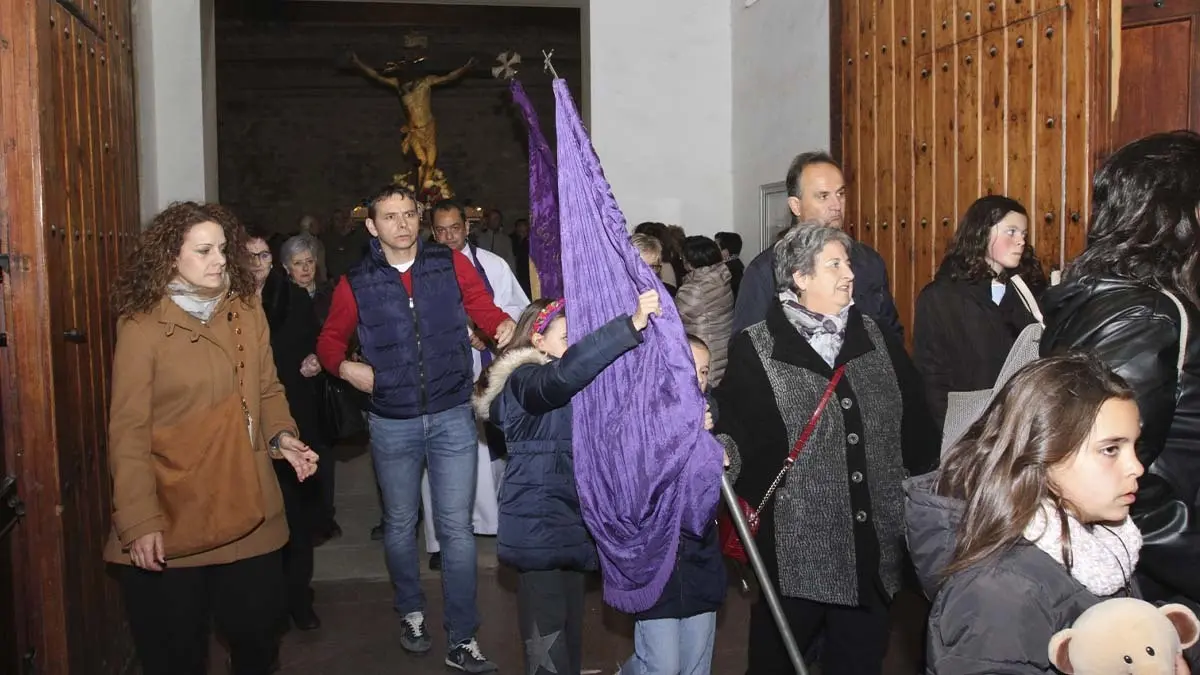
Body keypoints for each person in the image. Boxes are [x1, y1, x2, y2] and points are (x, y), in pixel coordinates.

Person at [105, 202, 319, 675]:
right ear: (169, 258)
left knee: (259, 640)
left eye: (222, 249)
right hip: (176, 509)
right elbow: (129, 429)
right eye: (204, 251)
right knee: (176, 652)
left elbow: (267, 389)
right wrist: (140, 520)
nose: (220, 260)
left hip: (249, 503)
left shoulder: (246, 310)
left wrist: (282, 436)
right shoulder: (142, 325)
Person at [714, 224, 936, 675]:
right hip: (798, 548)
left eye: (848, 263)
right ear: (799, 276)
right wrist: (717, 452)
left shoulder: (875, 337)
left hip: (873, 547)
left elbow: (915, 428)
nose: (849, 273)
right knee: (777, 660)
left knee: (860, 660)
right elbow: (737, 434)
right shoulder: (756, 348)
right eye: (834, 264)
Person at [316, 185, 516, 672]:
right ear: (372, 225)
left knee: (456, 528)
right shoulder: (356, 282)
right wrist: (346, 369)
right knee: (402, 525)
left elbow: (482, 307)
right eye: (390, 216)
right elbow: (328, 342)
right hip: (392, 422)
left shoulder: (448, 264)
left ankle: (463, 636)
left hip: (450, 414)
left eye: (409, 214)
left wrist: (504, 325)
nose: (402, 224)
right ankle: (411, 611)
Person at [906, 353, 1198, 673]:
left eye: (1133, 447)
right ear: (1043, 456)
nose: (1137, 467)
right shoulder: (998, 592)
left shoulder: (1097, 539)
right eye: (1110, 449)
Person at [1040, 130, 1200, 611]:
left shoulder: (1115, 297)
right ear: (1177, 215)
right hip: (1149, 579)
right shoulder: (1143, 314)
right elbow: (1103, 475)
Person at [471, 291, 662, 675]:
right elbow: (561, 377)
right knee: (547, 646)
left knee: (570, 636)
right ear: (538, 341)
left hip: (572, 522)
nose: (576, 347)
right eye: (567, 337)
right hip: (538, 527)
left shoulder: (573, 383)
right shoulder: (526, 379)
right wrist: (628, 326)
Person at [421, 199, 530, 570]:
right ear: (432, 232)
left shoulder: (493, 265)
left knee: (488, 448)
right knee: (440, 452)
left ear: (468, 227)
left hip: (486, 368)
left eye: (455, 228)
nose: (449, 236)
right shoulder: (422, 268)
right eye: (441, 230)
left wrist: (492, 329)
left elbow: (519, 309)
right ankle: (440, 538)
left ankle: (491, 521)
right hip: (441, 372)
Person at [619, 334, 732, 675]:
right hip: (656, 571)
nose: (697, 379)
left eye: (703, 371)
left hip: (700, 563)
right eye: (688, 369)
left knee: (696, 665)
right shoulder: (638, 423)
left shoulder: (711, 419)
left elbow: (719, 482)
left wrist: (711, 447)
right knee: (661, 666)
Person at [730, 151, 902, 339]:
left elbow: (891, 335)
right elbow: (746, 351)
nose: (836, 205)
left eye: (841, 194)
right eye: (823, 196)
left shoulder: (868, 261)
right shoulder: (765, 271)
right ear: (796, 206)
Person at [913, 195, 1046, 429]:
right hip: (966, 426)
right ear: (983, 232)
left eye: (1024, 234)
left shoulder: (1027, 291)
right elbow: (932, 375)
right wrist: (953, 430)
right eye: (1011, 232)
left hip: (1021, 423)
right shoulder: (940, 297)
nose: (1020, 241)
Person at [675, 236, 734, 386]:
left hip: (705, 355)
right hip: (721, 351)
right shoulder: (722, 278)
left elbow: (671, 318)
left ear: (690, 261)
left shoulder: (694, 289)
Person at [715, 231, 744, 297]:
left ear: (725, 252)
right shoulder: (737, 266)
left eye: (716, 247)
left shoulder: (726, 273)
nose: (713, 250)